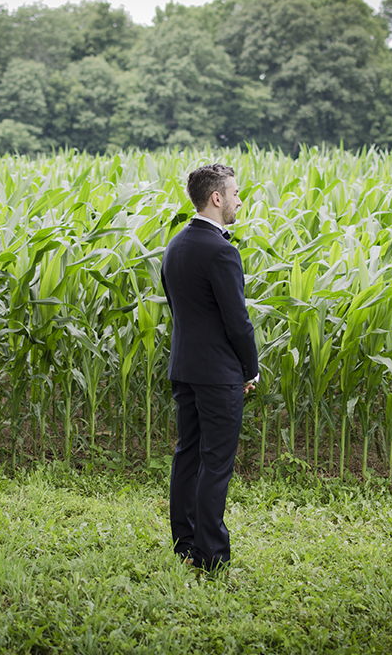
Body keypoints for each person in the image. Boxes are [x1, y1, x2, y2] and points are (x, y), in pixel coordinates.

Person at [161, 163, 259, 572]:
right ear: (216, 198)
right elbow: (236, 321)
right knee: (216, 462)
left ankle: (185, 544)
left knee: (187, 457)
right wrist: (249, 369)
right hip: (217, 374)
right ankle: (212, 555)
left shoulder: (176, 244)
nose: (239, 200)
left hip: (184, 368)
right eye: (235, 193)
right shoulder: (221, 250)